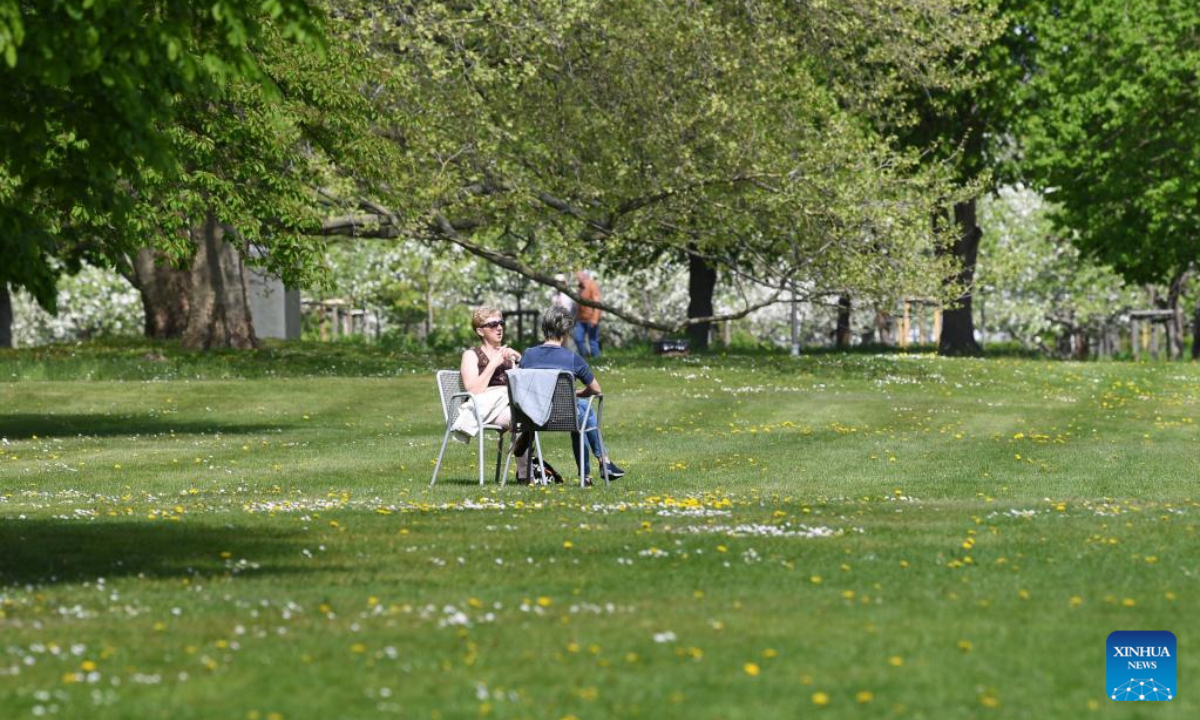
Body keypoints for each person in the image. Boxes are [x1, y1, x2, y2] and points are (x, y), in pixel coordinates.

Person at [519, 305, 625, 485]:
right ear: (566, 331)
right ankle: (598, 465)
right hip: (564, 416)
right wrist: (576, 393)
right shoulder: (572, 358)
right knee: (583, 412)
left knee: (581, 410)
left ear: (544, 328)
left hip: (532, 416)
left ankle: (595, 469)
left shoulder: (528, 355)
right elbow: (596, 390)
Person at [452, 308, 524, 471]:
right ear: (480, 331)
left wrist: (519, 359)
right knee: (522, 420)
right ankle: (525, 474)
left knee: (527, 416)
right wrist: (493, 364)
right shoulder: (471, 355)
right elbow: (473, 390)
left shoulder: (508, 354)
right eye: (492, 324)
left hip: (509, 402)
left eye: (501, 323)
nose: (499, 328)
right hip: (485, 407)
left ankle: (526, 473)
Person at [573, 270, 602, 357]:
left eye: (578, 274)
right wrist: (575, 318)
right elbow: (578, 304)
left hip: (591, 318)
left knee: (593, 340)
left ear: (584, 275)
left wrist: (595, 318)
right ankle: (585, 356)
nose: (577, 277)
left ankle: (597, 359)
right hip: (580, 319)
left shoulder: (593, 285)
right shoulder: (580, 287)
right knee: (578, 338)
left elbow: (597, 303)